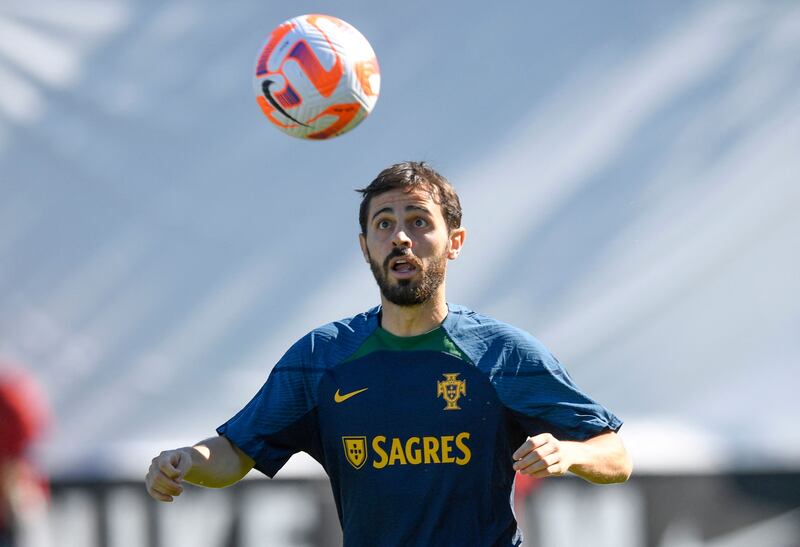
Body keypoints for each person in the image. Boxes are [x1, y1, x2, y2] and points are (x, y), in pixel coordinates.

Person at [146, 161, 632, 546]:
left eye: (419, 222)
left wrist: (567, 453)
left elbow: (615, 457)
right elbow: (235, 453)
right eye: (384, 224)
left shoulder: (502, 353)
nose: (400, 237)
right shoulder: (322, 357)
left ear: (454, 242)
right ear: (365, 246)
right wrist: (187, 459)